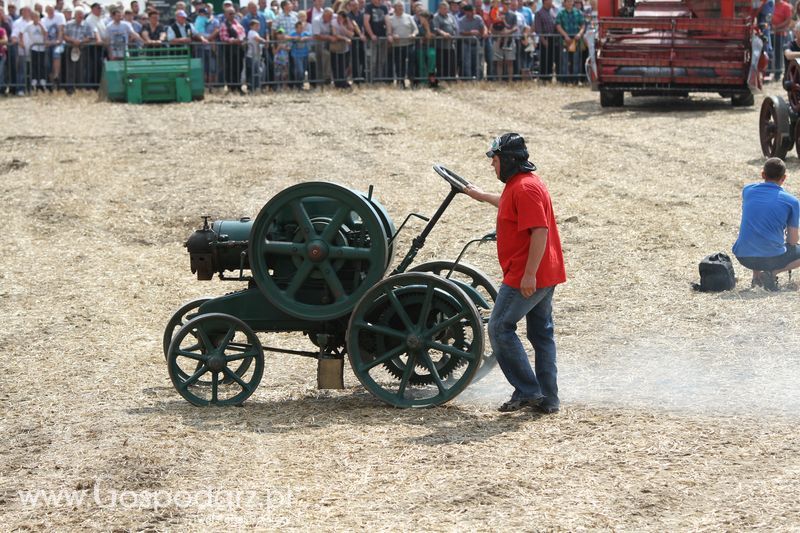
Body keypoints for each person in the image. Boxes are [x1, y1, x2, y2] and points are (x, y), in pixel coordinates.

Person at [464, 133, 566, 414]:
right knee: (541, 334)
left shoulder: (525, 188)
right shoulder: (519, 185)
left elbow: (540, 231)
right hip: (544, 271)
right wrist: (480, 195)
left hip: (528, 275)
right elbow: (509, 204)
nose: (492, 166)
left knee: (499, 327)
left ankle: (528, 390)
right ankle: (548, 399)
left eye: (494, 160)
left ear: (507, 161)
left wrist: (529, 275)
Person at [733, 157, 800, 290]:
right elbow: (792, 241)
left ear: (763, 174)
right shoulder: (792, 202)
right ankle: (771, 274)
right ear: (784, 178)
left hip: (744, 256)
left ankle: (756, 277)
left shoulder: (748, 191)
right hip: (772, 258)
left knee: (756, 229)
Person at [63, 6, 98, 93]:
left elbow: (90, 37)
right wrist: (73, 41)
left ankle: (80, 88)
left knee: (81, 69)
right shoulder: (68, 24)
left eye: (82, 15)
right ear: (75, 15)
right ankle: (70, 88)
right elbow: (64, 35)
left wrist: (80, 41)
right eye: (79, 15)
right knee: (70, 69)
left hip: (82, 49)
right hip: (70, 48)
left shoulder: (87, 25)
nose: (80, 17)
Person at [554, 0, 583, 82]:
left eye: (571, 1)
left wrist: (579, 34)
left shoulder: (578, 13)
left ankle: (575, 80)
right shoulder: (561, 13)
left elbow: (583, 25)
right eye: (568, 1)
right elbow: (558, 25)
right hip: (564, 41)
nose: (570, 3)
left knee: (576, 60)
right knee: (564, 60)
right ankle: (564, 80)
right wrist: (565, 35)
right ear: (564, 3)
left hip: (575, 40)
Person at [388, 0, 416, 84]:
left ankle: (412, 80)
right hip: (397, 45)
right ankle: (400, 82)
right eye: (399, 6)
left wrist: (413, 34)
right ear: (394, 8)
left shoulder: (409, 17)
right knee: (399, 64)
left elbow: (415, 29)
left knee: (412, 62)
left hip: (409, 44)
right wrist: (393, 35)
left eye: (402, 6)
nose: (401, 8)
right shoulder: (390, 18)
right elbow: (388, 32)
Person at [219, 6, 245, 92]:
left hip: (239, 49)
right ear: (225, 15)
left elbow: (243, 34)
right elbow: (224, 38)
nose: (232, 15)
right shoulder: (224, 25)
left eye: (233, 13)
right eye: (230, 14)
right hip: (229, 50)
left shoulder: (238, 24)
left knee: (239, 68)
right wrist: (234, 40)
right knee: (230, 69)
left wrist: (242, 39)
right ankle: (232, 87)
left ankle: (238, 86)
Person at [457, 3, 484, 79]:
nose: (471, 13)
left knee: (478, 63)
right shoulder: (461, 20)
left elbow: (482, 27)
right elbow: (461, 32)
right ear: (465, 12)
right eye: (469, 11)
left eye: (472, 11)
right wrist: (470, 33)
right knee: (467, 63)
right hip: (466, 44)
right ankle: (468, 80)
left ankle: (478, 79)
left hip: (477, 43)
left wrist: (482, 33)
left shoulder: (478, 18)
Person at [432, 0, 457, 78]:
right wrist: (444, 33)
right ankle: (442, 80)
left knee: (452, 65)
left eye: (445, 8)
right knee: (442, 65)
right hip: (441, 46)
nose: (444, 10)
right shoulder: (436, 17)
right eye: (442, 8)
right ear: (439, 9)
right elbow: (435, 28)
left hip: (451, 45)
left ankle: (451, 81)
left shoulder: (451, 16)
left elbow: (455, 27)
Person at [534, 0, 557, 81]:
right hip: (545, 38)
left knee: (551, 59)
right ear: (545, 2)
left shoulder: (552, 11)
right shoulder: (539, 13)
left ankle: (549, 77)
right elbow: (538, 29)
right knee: (544, 59)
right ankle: (543, 78)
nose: (551, 2)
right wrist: (543, 40)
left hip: (553, 38)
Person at [244, 17, 266, 90]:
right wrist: (264, 41)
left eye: (258, 25)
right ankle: (251, 87)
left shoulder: (256, 32)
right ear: (251, 26)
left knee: (257, 72)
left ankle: (256, 86)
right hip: (251, 56)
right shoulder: (251, 32)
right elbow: (257, 39)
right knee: (252, 72)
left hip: (256, 56)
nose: (258, 27)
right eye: (256, 25)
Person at [289, 19, 310, 85]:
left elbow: (313, 36)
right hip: (296, 55)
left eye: (302, 27)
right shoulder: (292, 33)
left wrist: (306, 38)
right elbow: (286, 37)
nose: (301, 29)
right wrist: (294, 38)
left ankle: (301, 84)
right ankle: (298, 84)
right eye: (299, 28)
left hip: (305, 54)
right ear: (296, 28)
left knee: (303, 70)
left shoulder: (305, 33)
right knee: (299, 70)